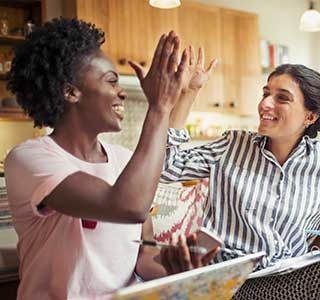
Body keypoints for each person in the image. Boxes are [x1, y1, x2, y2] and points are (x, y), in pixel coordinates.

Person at [4, 18, 217, 299]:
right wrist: (160, 105)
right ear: (71, 92)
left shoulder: (124, 160)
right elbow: (128, 206)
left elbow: (144, 253)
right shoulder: (30, 158)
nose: (121, 93)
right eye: (111, 81)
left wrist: (175, 267)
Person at [161, 63, 320, 299]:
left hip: (286, 280)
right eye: (266, 94)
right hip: (227, 282)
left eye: (282, 98)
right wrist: (189, 93)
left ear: (310, 116)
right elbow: (167, 167)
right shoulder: (233, 145)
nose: (265, 104)